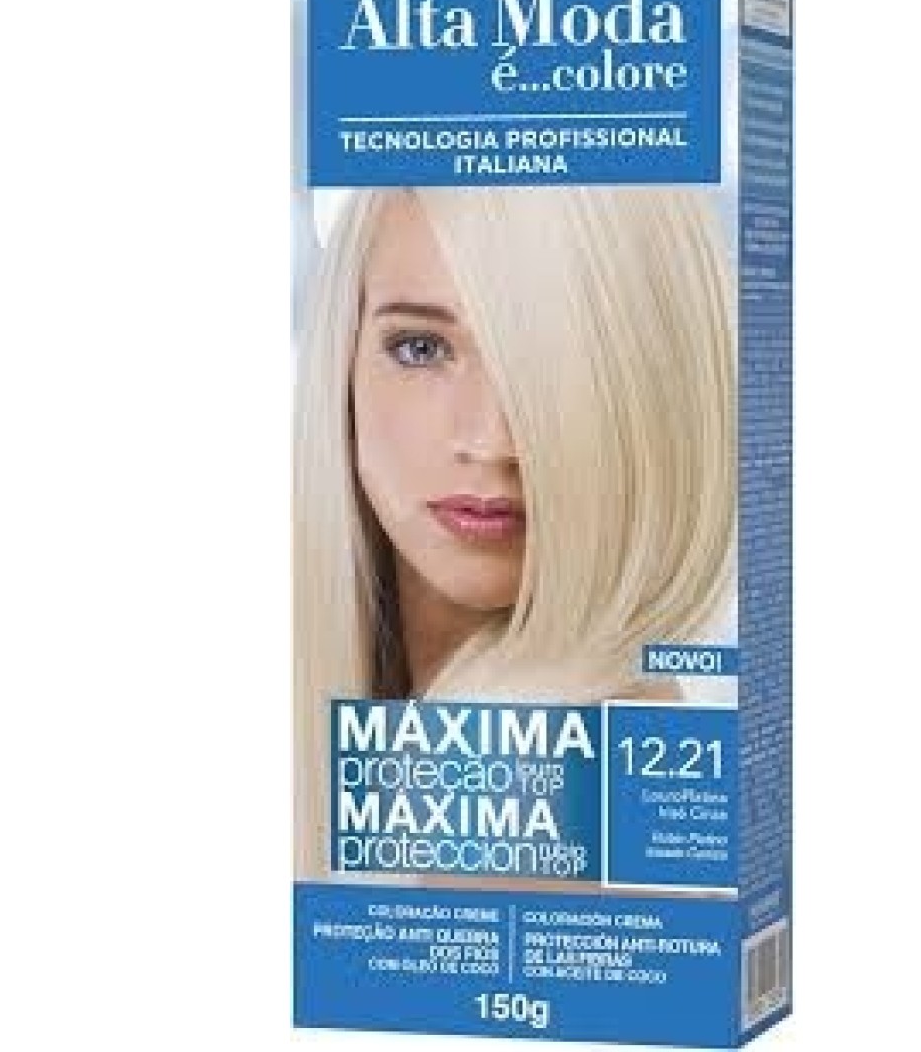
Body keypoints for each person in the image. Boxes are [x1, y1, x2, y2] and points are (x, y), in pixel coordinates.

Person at [293, 186, 737, 879]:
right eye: (421, 348)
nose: (491, 440)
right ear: (342, 367)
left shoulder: (531, 790)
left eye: (562, 359)